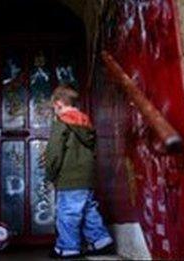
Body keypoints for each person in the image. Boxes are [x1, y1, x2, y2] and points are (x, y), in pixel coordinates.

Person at [45, 85, 115, 258]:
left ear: (59, 103)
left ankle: (67, 247)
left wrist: (50, 175)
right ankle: (100, 240)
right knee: (88, 209)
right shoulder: (86, 123)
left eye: (54, 107)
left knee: (67, 212)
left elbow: (54, 153)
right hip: (87, 177)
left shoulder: (61, 123)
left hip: (70, 176)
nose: (55, 111)